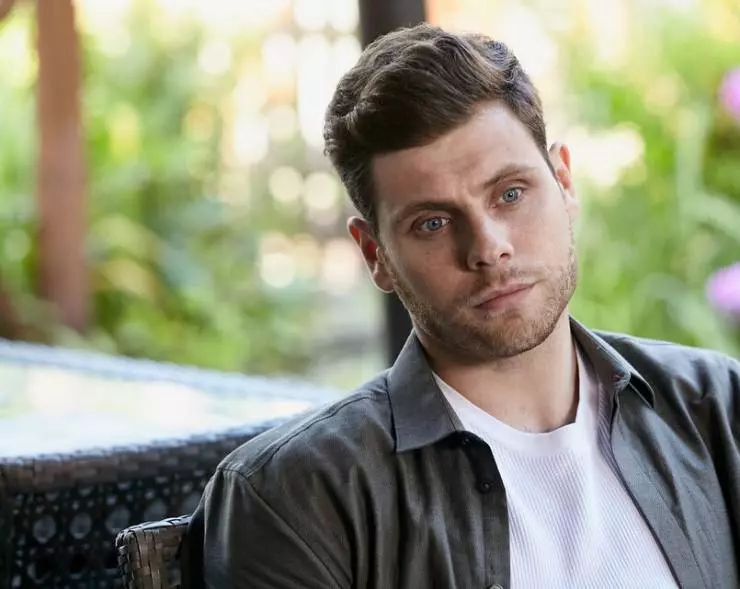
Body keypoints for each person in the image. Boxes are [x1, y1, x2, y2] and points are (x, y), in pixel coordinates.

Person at [186, 23, 740, 588]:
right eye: (432, 222)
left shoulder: (718, 407)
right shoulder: (295, 496)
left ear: (564, 182)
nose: (488, 248)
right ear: (376, 254)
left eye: (511, 194)